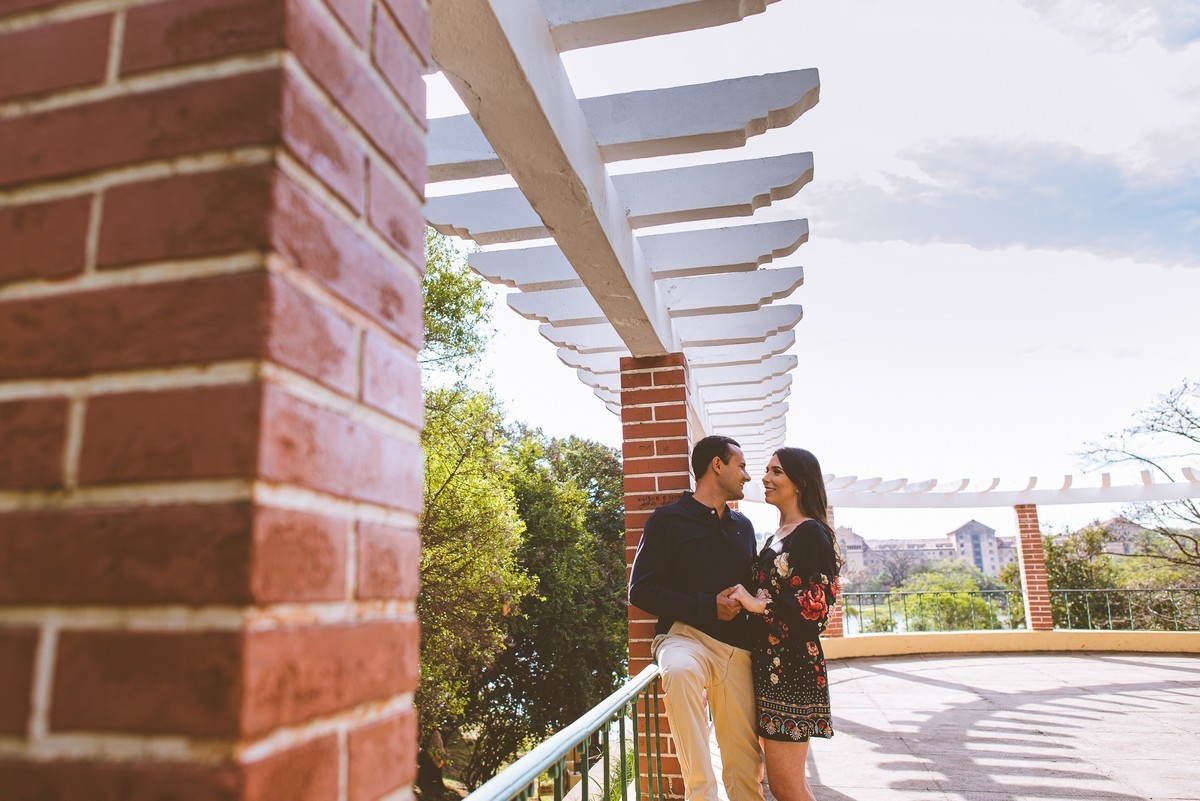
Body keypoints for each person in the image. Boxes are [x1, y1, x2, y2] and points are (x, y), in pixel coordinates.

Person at [628, 435, 764, 801]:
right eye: (742, 465)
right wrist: (707, 606)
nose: (747, 476)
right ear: (716, 466)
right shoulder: (667, 520)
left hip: (736, 649)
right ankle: (701, 795)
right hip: (683, 638)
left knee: (746, 774)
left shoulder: (744, 527)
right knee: (681, 672)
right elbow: (640, 591)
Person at [730, 447, 842, 801]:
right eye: (766, 470)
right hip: (767, 666)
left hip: (791, 670)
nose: (764, 478)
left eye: (776, 472)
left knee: (786, 788)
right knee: (789, 784)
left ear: (801, 482)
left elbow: (817, 610)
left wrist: (758, 605)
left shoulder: (811, 533)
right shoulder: (778, 534)